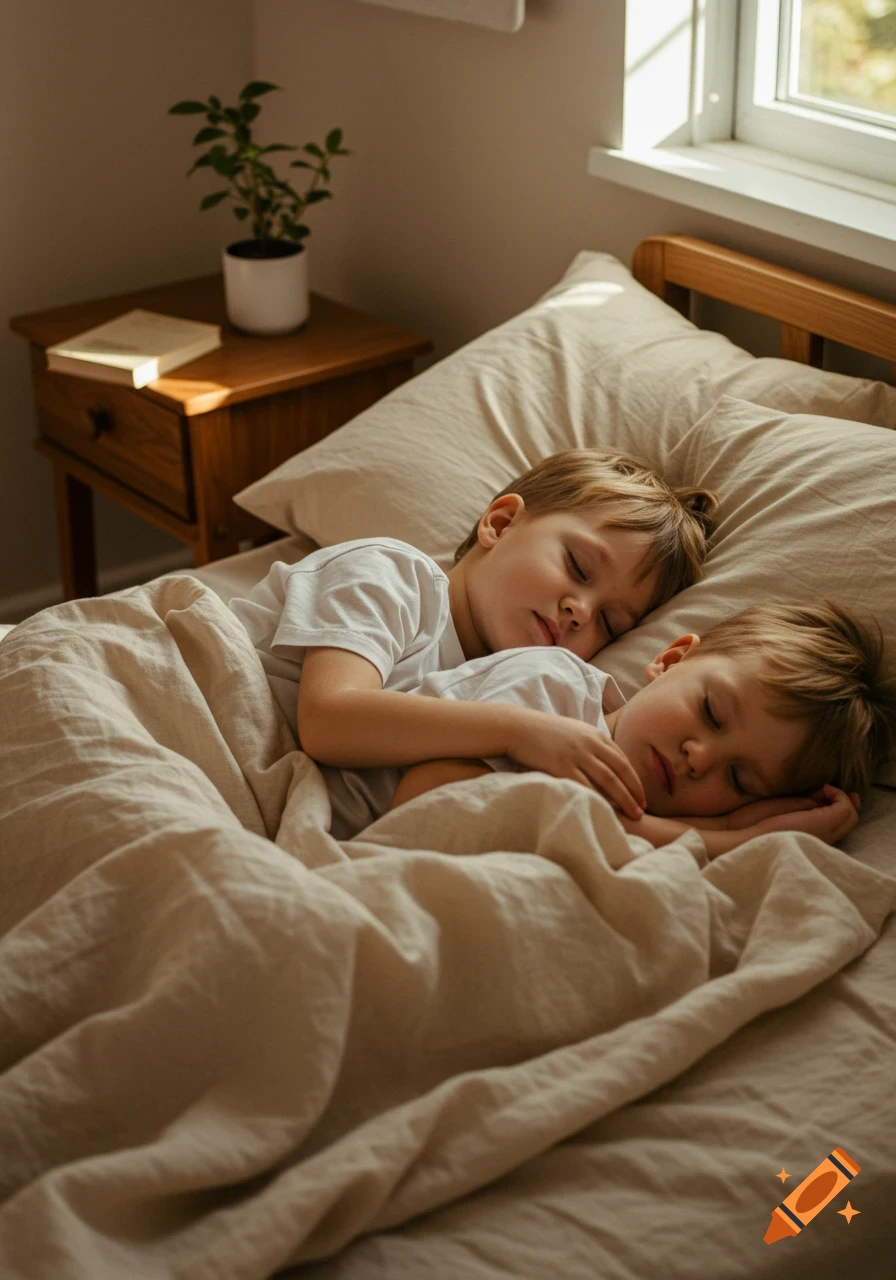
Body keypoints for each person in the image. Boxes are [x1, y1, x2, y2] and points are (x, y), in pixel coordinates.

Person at [227, 449, 716, 837]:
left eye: (609, 622)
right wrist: (518, 730)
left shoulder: (506, 687)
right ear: (500, 524)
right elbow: (328, 719)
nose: (581, 611)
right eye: (579, 567)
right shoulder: (393, 575)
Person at [387, 601, 896, 861]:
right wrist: (723, 838)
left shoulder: (656, 850)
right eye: (712, 713)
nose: (699, 757)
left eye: (741, 781)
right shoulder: (555, 687)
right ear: (673, 659)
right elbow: (426, 800)